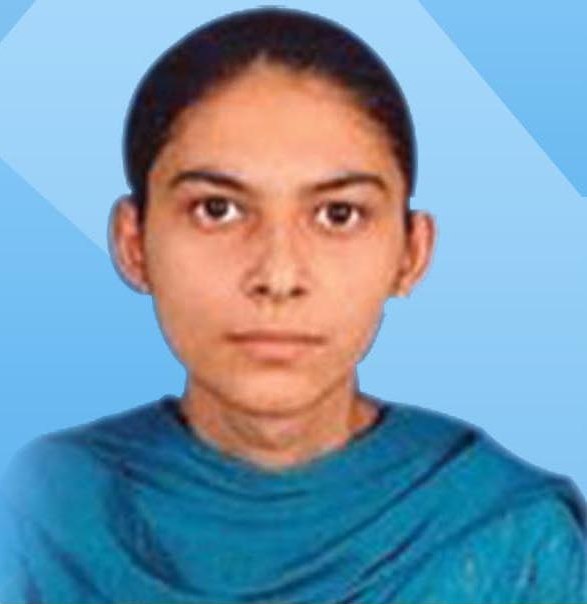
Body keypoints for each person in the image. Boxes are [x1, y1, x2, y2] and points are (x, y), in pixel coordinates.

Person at [0, 6, 585, 603]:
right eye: (217, 210)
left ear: (411, 253)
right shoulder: (40, 515)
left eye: (338, 214)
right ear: (133, 243)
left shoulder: (510, 541)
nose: (278, 277)